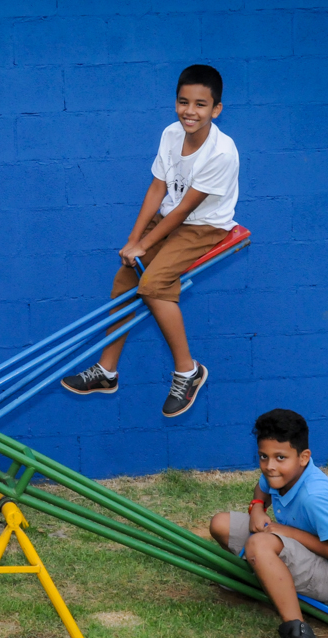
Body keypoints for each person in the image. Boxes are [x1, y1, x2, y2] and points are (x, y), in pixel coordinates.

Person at [61, 64, 240, 417]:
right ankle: (107, 371)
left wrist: (145, 244)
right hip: (171, 220)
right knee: (126, 279)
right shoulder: (171, 134)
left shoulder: (222, 153)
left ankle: (188, 371)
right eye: (183, 102)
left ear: (216, 109)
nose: (190, 111)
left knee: (154, 285)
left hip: (203, 225)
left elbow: (185, 210)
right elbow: (158, 187)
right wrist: (133, 239)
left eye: (201, 105)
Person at [201, 409, 328, 638]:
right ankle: (264, 577)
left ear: (303, 457)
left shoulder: (315, 496)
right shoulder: (279, 475)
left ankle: (301, 637)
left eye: (280, 457)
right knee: (221, 523)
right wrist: (256, 508)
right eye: (263, 457)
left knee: (259, 544)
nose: (269, 466)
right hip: (298, 551)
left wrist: (287, 532)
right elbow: (262, 487)